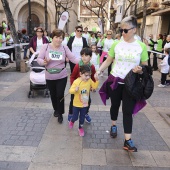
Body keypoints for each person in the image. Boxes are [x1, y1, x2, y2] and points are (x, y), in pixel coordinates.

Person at [95, 15, 148, 152]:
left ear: (134, 30)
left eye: (126, 30)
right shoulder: (116, 44)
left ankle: (127, 140)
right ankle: (113, 124)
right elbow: (108, 60)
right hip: (115, 80)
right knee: (115, 105)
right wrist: (99, 70)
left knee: (127, 111)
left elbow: (145, 66)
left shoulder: (141, 46)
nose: (122, 33)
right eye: (121, 30)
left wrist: (141, 69)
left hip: (131, 84)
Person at [37, 29, 79, 123]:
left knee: (60, 94)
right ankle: (56, 109)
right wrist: (43, 62)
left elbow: (72, 58)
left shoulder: (64, 48)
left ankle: (60, 113)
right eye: (57, 37)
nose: (59, 40)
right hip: (49, 76)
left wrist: (83, 62)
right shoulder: (46, 46)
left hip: (61, 75)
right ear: (53, 37)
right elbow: (39, 59)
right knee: (53, 94)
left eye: (61, 38)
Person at [69, 65, 99, 136]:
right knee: (75, 117)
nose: (88, 77)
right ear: (80, 74)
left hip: (85, 104)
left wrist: (97, 80)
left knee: (82, 117)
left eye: (89, 75)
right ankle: (72, 121)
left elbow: (94, 87)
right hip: (76, 104)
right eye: (86, 75)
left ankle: (80, 128)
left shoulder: (89, 81)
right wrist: (75, 90)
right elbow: (70, 91)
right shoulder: (76, 81)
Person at [68, 48, 96, 123]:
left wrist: (92, 86)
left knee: (88, 101)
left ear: (90, 57)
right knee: (72, 101)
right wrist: (73, 86)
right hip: (76, 88)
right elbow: (72, 76)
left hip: (85, 89)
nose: (84, 57)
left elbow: (93, 78)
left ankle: (85, 113)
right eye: (82, 55)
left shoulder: (92, 67)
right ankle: (71, 113)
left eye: (86, 55)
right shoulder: (77, 66)